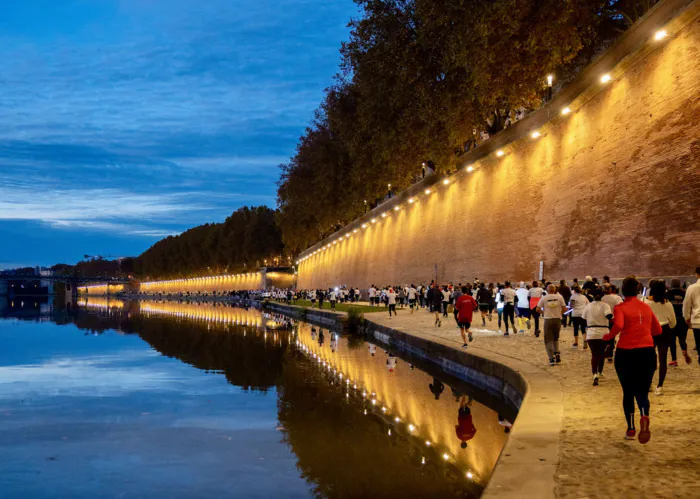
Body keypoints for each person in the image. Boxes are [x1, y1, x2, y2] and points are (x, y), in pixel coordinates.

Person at [603, 276, 662, 444]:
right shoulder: (646, 307)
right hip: (647, 352)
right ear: (638, 290)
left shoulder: (620, 307)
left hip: (626, 353)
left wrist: (609, 336)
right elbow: (657, 330)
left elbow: (619, 325)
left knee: (628, 391)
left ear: (623, 290)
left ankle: (630, 429)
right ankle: (644, 414)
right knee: (642, 391)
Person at [646, 279, 676, 395]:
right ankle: (660, 386)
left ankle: (648, 384)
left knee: (649, 359)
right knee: (662, 359)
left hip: (650, 331)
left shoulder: (646, 303)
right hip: (664, 331)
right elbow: (673, 323)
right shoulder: (667, 304)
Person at [582, 288, 613, 385]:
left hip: (591, 332)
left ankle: (595, 373)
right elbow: (609, 316)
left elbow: (583, 318)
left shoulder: (588, 306)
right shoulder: (605, 305)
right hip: (603, 332)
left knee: (595, 354)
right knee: (601, 353)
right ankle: (599, 372)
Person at [537, 284, 567, 365]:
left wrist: (544, 313)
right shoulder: (560, 297)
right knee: (556, 338)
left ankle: (551, 358)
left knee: (548, 340)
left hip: (548, 320)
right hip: (557, 320)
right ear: (554, 290)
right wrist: (559, 314)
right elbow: (565, 308)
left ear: (547, 290)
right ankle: (557, 353)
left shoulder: (544, 298)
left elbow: (537, 309)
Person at [667, 278, 691, 365]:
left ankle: (674, 359)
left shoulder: (668, 293)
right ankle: (684, 350)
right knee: (682, 339)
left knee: (672, 341)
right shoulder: (685, 293)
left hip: (672, 320)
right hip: (682, 319)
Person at [683, 266, 700, 363]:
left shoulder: (692, 288)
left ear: (697, 274)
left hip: (697, 321)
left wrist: (686, 317)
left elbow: (686, 304)